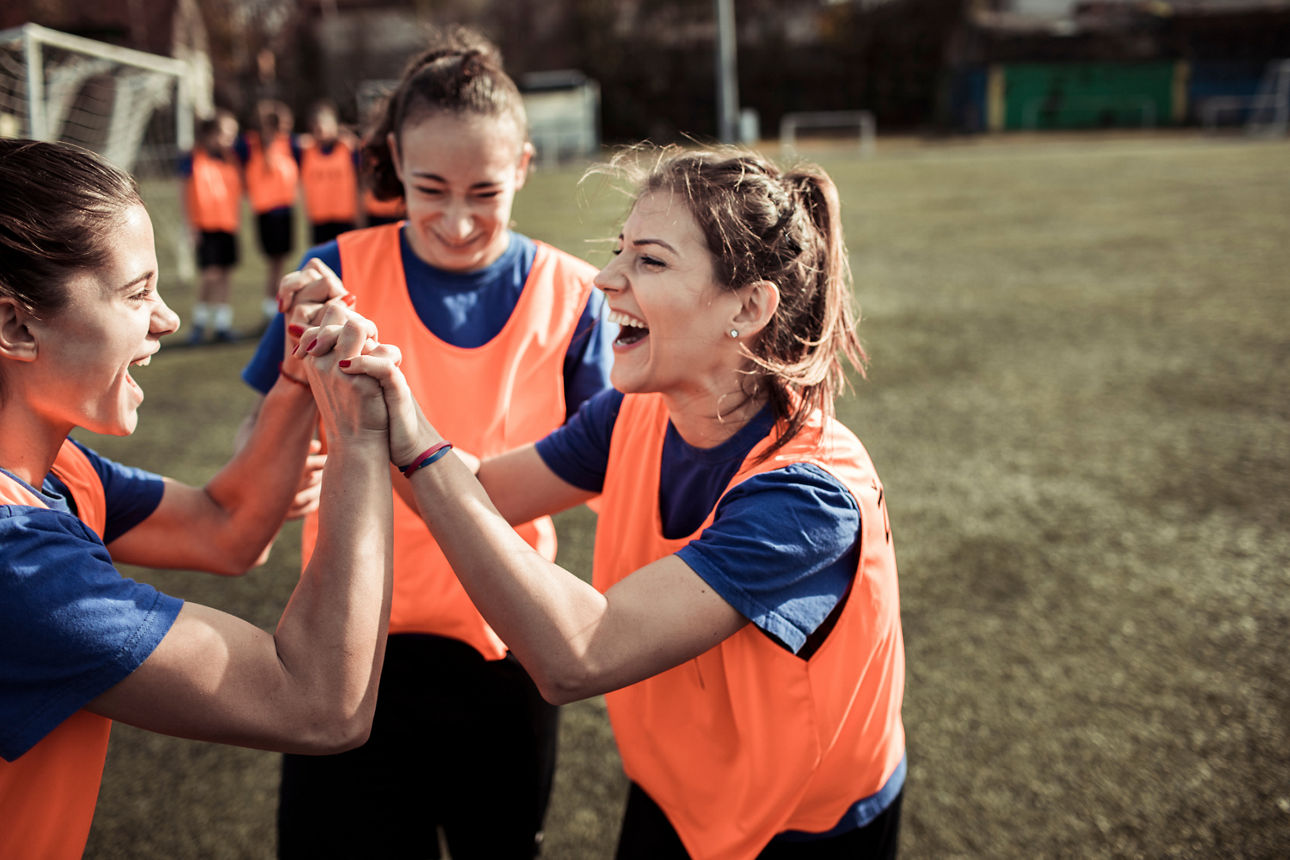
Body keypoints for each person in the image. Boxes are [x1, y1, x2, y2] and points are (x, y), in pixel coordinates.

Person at [313, 144, 907, 859]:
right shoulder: (633, 417)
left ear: (749, 307)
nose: (604, 277)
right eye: (618, 250)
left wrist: (411, 442)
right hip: (675, 793)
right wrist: (374, 406)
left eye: (648, 261)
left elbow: (579, 656)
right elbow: (482, 496)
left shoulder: (809, 498)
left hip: (804, 825)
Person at [240, 26, 614, 859]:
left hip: (506, 641)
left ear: (523, 165)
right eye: (429, 186)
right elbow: (265, 427)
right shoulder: (334, 270)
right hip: (345, 638)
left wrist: (471, 493)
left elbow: (599, 460)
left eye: (484, 191)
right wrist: (294, 435)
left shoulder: (570, 292)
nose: (454, 220)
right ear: (394, 166)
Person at [0, 138, 398, 859]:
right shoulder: (16, 564)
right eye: (135, 293)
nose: (167, 319)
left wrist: (297, 377)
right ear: (16, 325)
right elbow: (318, 704)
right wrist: (362, 437)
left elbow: (226, 528)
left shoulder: (55, 474)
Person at [181, 109, 242, 344]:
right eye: (227, 133)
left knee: (225, 274)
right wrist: (190, 225)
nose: (231, 139)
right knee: (209, 275)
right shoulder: (192, 158)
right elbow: (183, 193)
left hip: (228, 225)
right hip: (204, 226)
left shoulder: (231, 158)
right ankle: (198, 325)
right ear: (211, 133)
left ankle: (222, 325)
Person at [241, 99, 302, 328]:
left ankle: (279, 307)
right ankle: (271, 309)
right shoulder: (251, 144)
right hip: (266, 213)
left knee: (281, 262)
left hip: (285, 211)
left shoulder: (290, 144)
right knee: (273, 264)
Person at [300, 99, 360, 245]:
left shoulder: (349, 149)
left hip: (344, 217)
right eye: (316, 124)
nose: (320, 128)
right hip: (319, 218)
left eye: (325, 123)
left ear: (335, 125)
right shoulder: (305, 150)